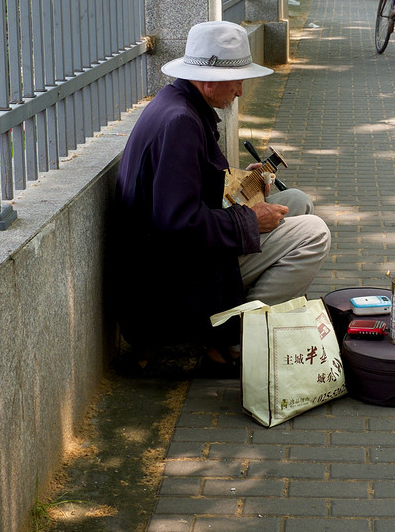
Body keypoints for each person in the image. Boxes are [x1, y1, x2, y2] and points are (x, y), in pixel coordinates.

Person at [109, 21, 331, 376]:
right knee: (315, 233)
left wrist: (247, 185)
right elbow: (178, 223)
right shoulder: (181, 121)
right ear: (209, 78)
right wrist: (249, 220)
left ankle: (227, 335)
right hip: (171, 285)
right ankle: (230, 337)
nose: (241, 91)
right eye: (236, 80)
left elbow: (186, 192)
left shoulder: (180, 104)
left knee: (298, 202)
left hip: (177, 262)